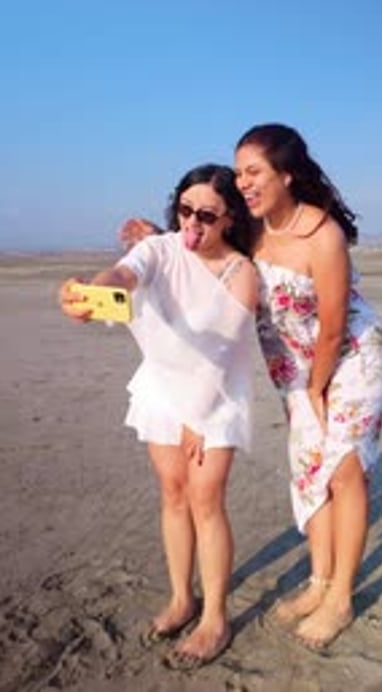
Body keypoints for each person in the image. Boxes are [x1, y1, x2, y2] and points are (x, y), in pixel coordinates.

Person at [121, 123, 382, 651]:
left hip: (351, 357)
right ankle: (317, 583)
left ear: (286, 174)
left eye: (254, 172)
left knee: (343, 471)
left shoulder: (323, 234)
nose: (243, 182)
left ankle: (340, 597)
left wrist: (318, 389)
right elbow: (202, 241)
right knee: (310, 471)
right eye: (239, 171)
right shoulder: (253, 227)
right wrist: (155, 232)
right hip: (295, 368)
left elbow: (335, 323)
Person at [59, 164, 258, 670]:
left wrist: (198, 417)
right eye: (185, 210)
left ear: (229, 218)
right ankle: (180, 599)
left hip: (214, 393)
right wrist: (89, 294)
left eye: (207, 215)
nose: (192, 223)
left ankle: (214, 615)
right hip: (164, 386)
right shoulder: (161, 249)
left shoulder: (241, 273)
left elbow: (223, 350)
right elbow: (124, 276)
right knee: (173, 492)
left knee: (205, 498)